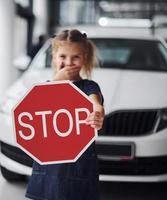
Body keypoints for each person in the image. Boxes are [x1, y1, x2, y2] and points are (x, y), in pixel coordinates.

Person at [25, 29, 105, 200]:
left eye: (75, 57)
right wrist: (56, 82)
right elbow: (35, 111)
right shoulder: (45, 87)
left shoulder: (89, 86)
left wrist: (98, 112)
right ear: (54, 56)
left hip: (78, 167)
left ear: (84, 58)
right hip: (48, 168)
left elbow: (95, 103)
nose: (69, 62)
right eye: (63, 56)